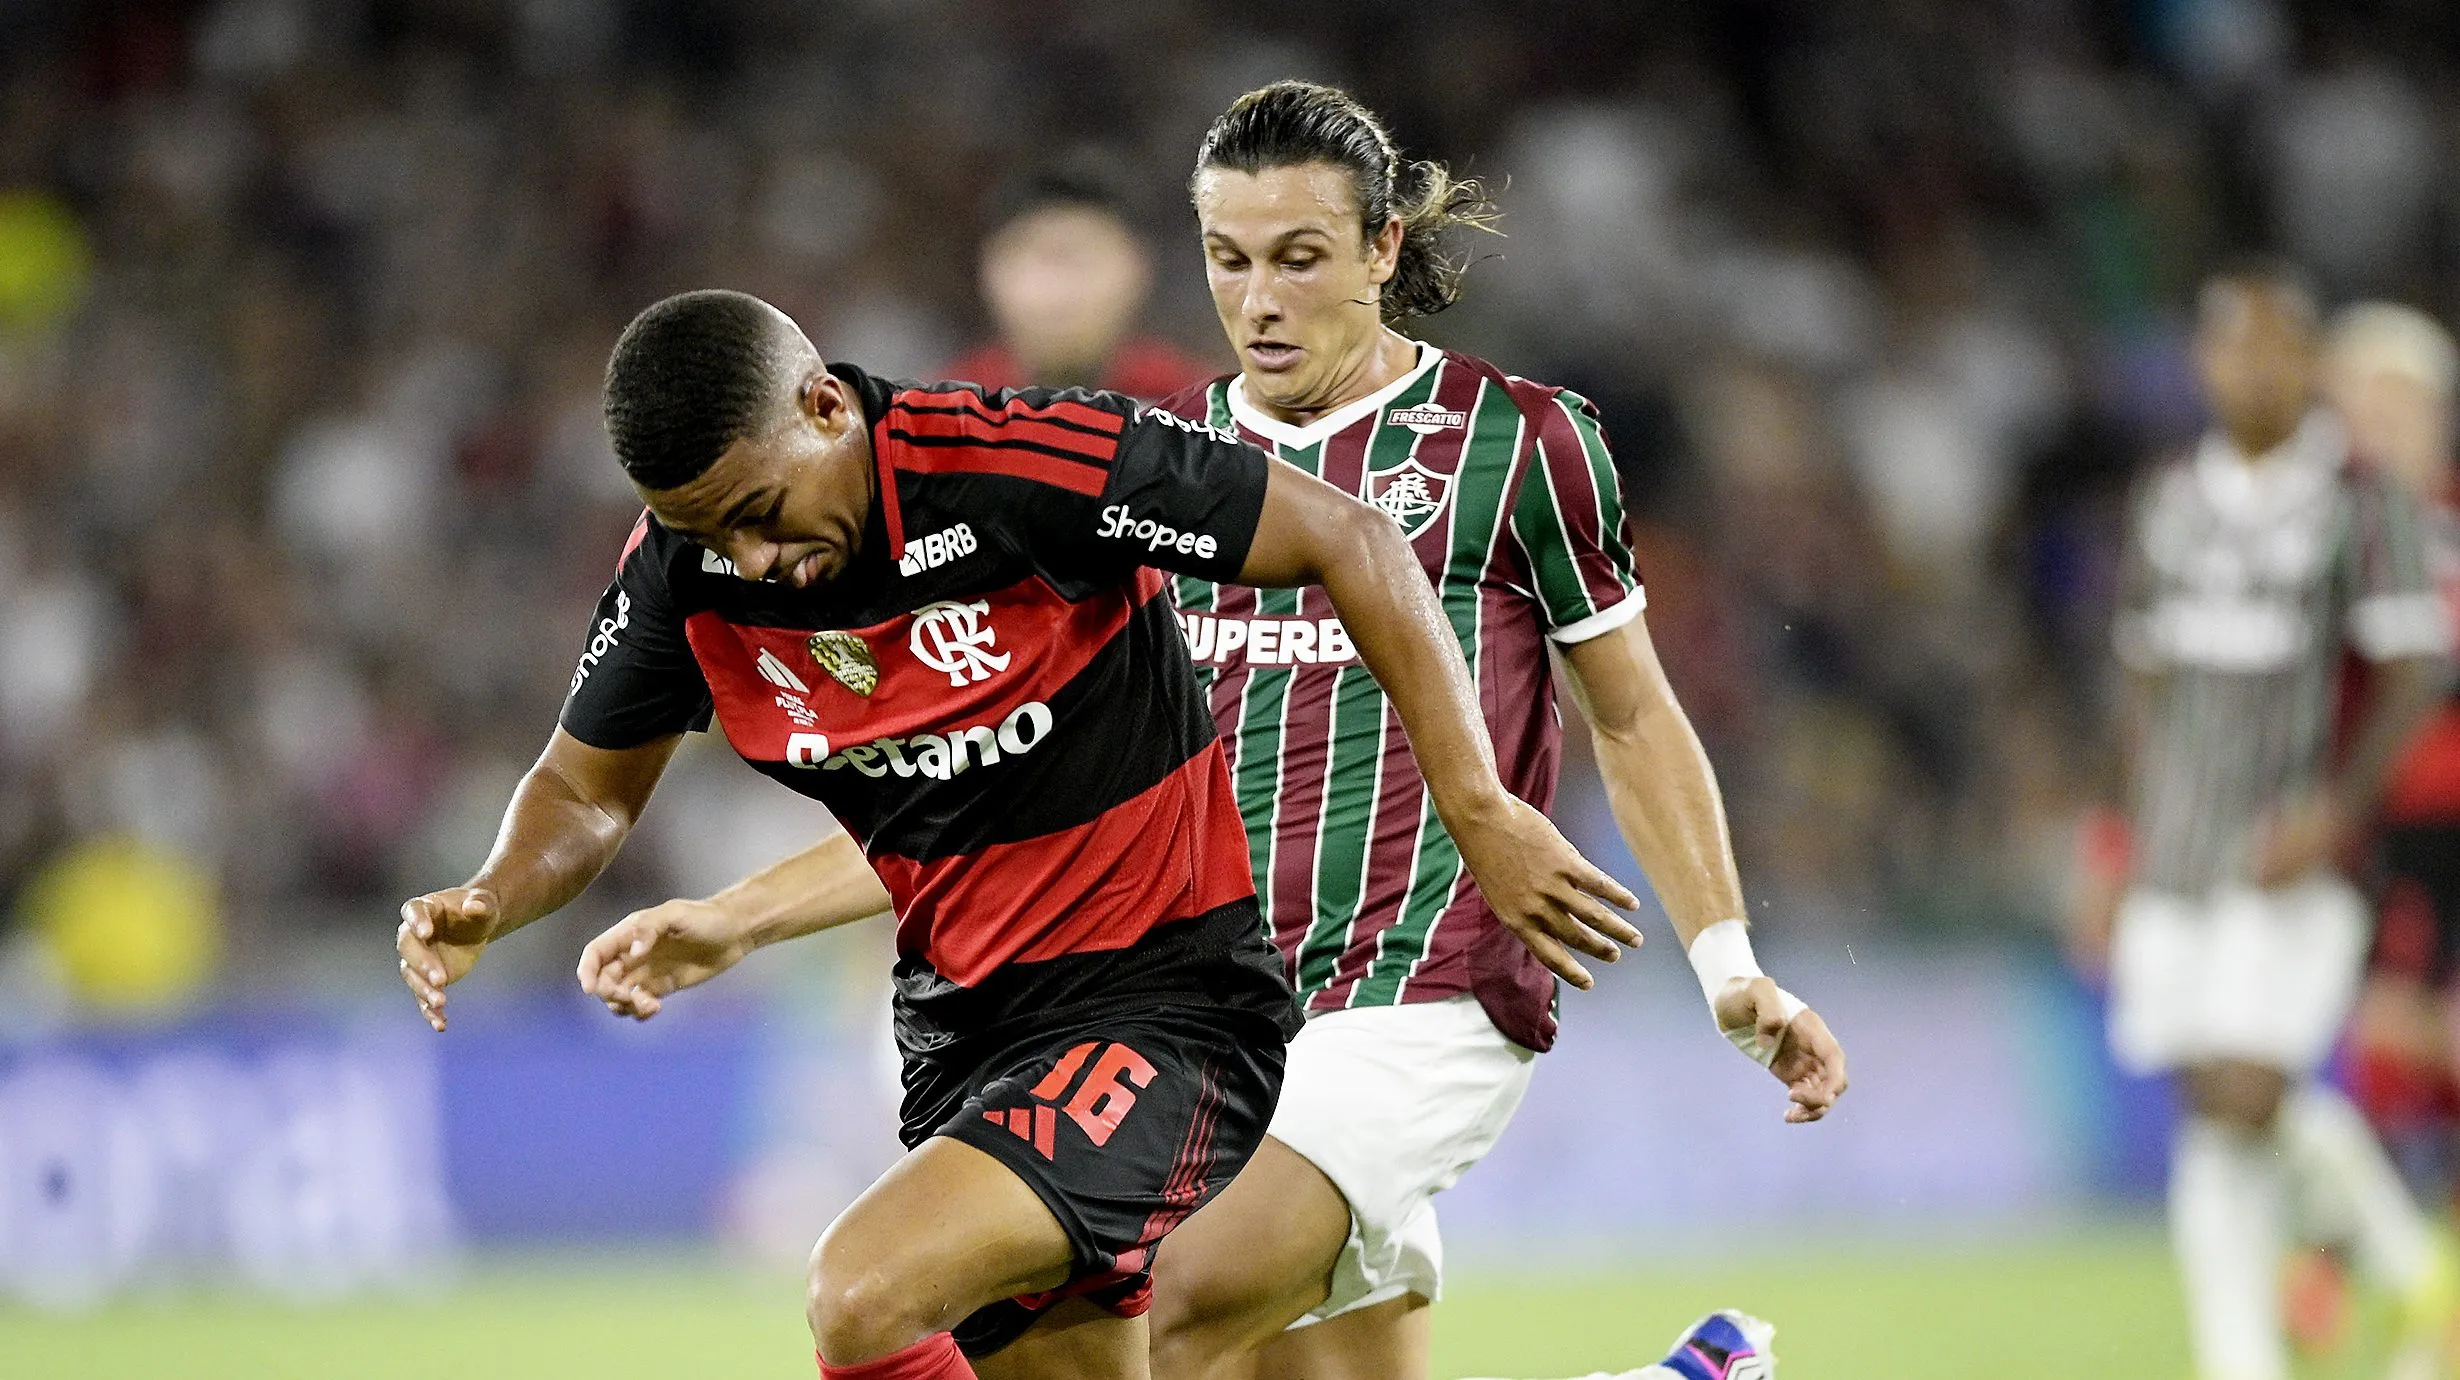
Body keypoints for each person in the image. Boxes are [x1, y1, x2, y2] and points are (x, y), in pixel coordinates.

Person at [576, 83, 1848, 1380]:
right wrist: (740, 916)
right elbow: (1000, 804)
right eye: (1230, 262)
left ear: (1382, 251)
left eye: (1300, 259)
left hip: (1422, 984)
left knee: (1144, 1309)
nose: (1260, 300)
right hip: (1197, 1003)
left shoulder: (1518, 445)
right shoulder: (1145, 471)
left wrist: (1729, 962)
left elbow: (1630, 715)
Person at [392, 287, 1646, 1380]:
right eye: (708, 531)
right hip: (963, 1043)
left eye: (761, 510)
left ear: (828, 408)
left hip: (1167, 1010)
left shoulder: (1024, 467)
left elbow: (1351, 534)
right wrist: (496, 893)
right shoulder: (685, 573)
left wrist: (1481, 809)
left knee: (863, 1291)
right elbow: (585, 788)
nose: (752, 558)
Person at [2082, 264, 2457, 1380]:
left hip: (2324, 845)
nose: (2256, 370)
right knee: (2228, 1103)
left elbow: (2410, 674)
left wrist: (2333, 812)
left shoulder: (2370, 504)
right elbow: (2139, 680)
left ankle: (2384, 1278)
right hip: (2195, 842)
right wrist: (2110, 841)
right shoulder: (2174, 499)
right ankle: (2324, 1313)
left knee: (2251, 1089)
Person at [939, 147, 1214, 402]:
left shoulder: (1203, 416)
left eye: (1082, 258)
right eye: (1040, 257)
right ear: (990, 270)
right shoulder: (937, 417)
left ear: (1138, 268)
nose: (1058, 289)